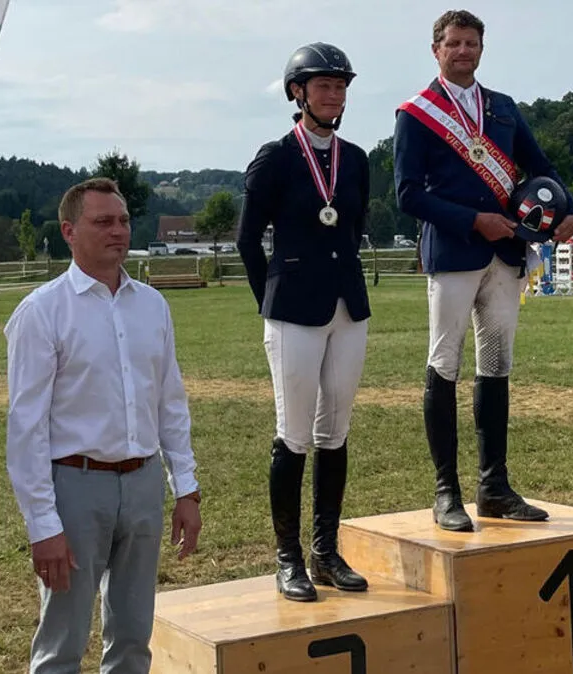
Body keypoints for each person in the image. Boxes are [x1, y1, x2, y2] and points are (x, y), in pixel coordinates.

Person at [394, 10, 573, 532]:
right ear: (436, 49)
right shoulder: (416, 114)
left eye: (471, 43)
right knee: (445, 364)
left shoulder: (503, 108)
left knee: (496, 366)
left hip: (506, 256)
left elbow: (541, 167)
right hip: (454, 254)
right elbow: (407, 194)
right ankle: (446, 491)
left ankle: (494, 486)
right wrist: (473, 220)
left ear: (482, 49)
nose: (463, 51)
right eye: (453, 43)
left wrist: (569, 209)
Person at [5, 178, 202, 672]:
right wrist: (42, 525)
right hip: (76, 485)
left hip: (142, 483)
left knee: (134, 637)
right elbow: (26, 429)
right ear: (68, 231)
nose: (118, 231)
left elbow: (170, 402)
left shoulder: (152, 306)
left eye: (123, 220)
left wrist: (186, 488)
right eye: (103, 222)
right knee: (63, 641)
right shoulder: (42, 312)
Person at [236, 42, 371, 603]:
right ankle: (288, 557)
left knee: (334, 432)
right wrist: (269, 300)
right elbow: (248, 240)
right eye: (323, 86)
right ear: (298, 92)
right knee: (294, 435)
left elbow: (351, 228)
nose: (334, 95)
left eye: (340, 87)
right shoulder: (274, 158)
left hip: (347, 307)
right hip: (293, 309)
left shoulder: (356, 159)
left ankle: (325, 551)